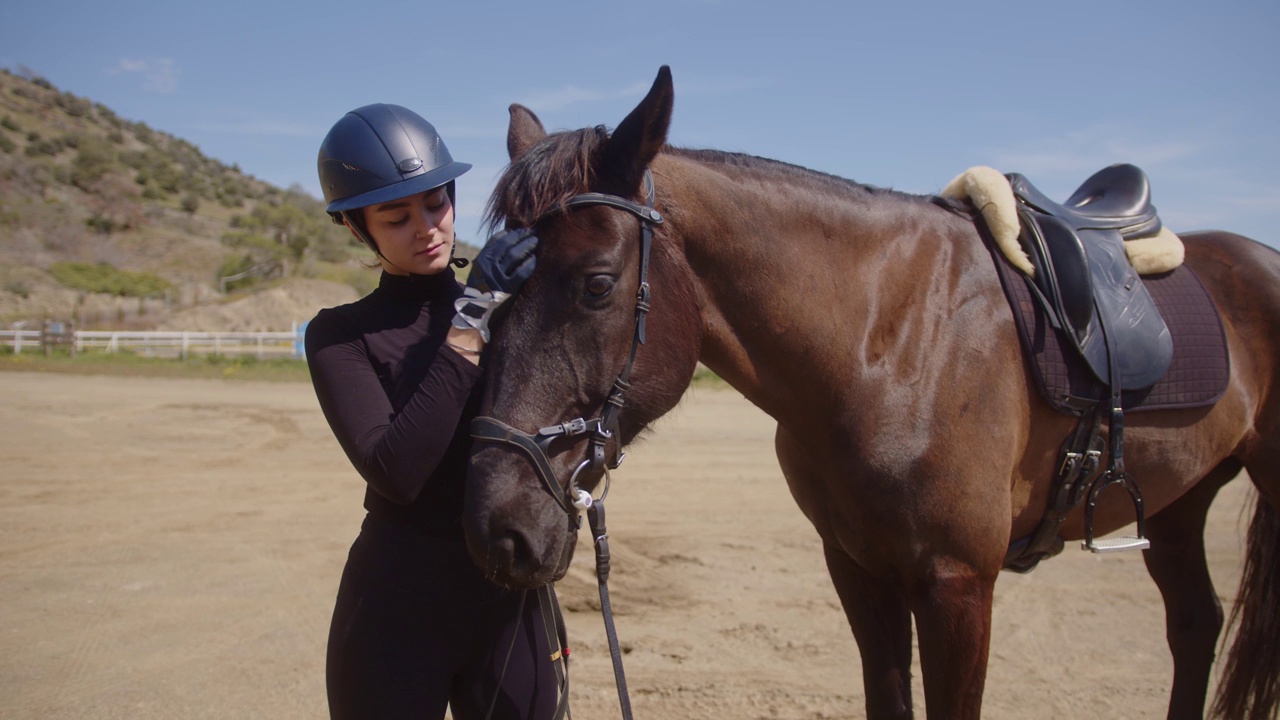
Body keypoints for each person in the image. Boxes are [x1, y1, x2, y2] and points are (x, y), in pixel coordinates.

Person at [306, 103, 554, 719]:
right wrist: (470, 324)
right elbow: (396, 470)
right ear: (354, 227)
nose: (427, 228)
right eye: (396, 217)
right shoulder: (341, 335)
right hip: (396, 604)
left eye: (436, 204)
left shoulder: (511, 304)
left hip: (508, 592)